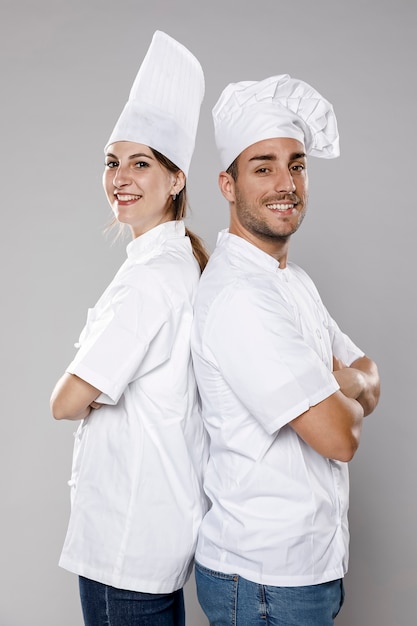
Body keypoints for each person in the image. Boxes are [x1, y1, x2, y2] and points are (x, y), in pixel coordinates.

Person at [190, 73, 380, 625]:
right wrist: (346, 387)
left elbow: (370, 373)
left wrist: (341, 384)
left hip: (305, 569)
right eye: (263, 166)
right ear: (227, 185)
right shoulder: (240, 298)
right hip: (263, 579)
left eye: (296, 164)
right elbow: (340, 436)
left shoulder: (291, 281)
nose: (285, 183)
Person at [50, 31, 209, 626]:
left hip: (126, 543)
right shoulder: (174, 265)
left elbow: (66, 401)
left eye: (141, 162)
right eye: (112, 161)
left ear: (175, 181)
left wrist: (79, 392)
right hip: (151, 534)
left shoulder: (151, 280)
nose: (120, 175)